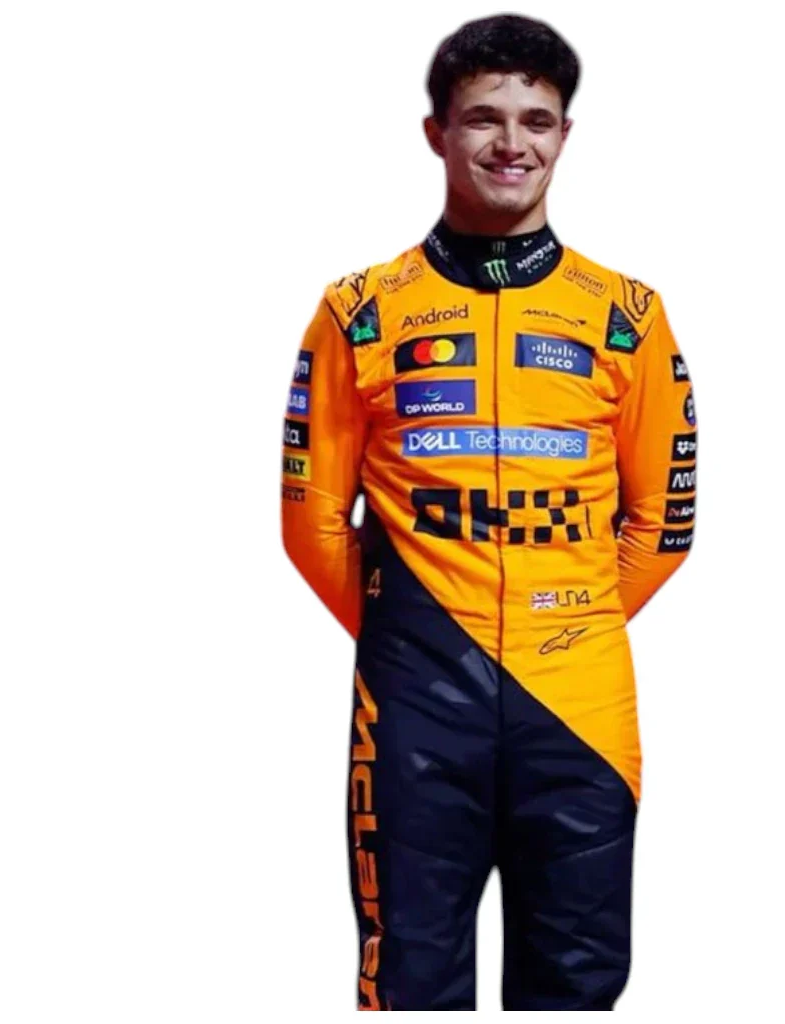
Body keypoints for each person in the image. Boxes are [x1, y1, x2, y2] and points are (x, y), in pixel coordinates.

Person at [281, 13, 696, 1012]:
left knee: (576, 984)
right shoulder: (358, 311)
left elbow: (664, 522)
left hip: (581, 703)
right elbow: (312, 522)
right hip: (414, 705)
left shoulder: (628, 315)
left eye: (536, 121)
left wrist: (567, 619)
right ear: (436, 133)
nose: (512, 143)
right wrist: (421, 629)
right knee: (409, 978)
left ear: (564, 136)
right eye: (483, 119)